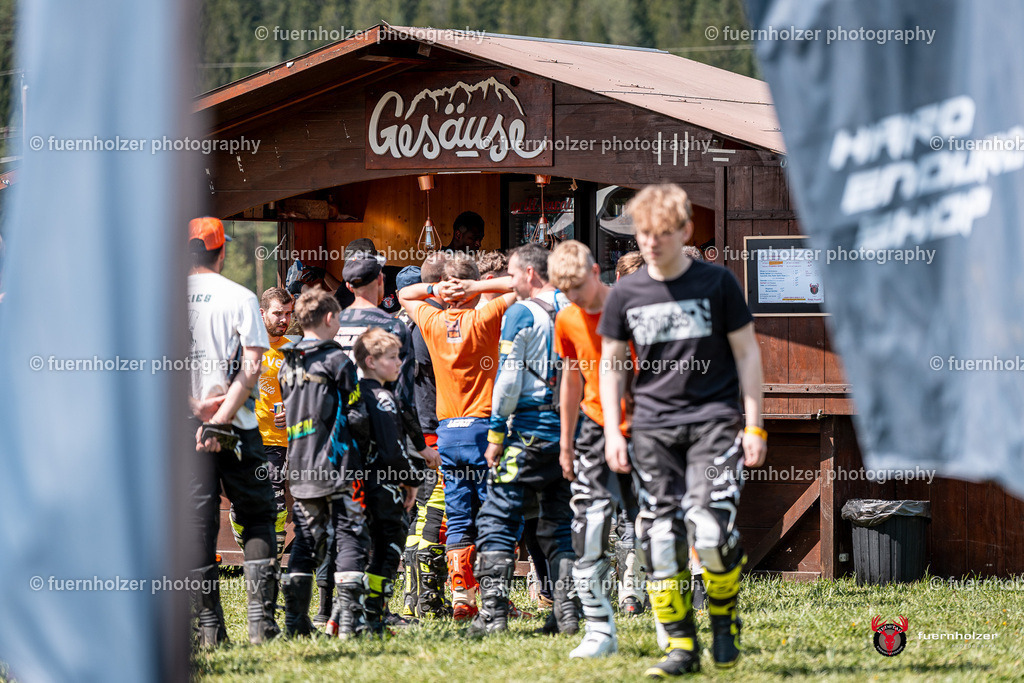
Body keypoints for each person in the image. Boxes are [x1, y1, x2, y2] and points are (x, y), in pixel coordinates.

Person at [598, 184, 767, 676]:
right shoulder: (625, 291)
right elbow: (610, 364)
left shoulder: (717, 282)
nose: (650, 242)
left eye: (662, 234)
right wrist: (614, 430)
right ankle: (680, 646)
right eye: (644, 233)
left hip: (713, 423)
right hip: (651, 429)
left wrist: (753, 426)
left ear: (685, 231)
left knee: (710, 530)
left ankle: (723, 619)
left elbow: (747, 353)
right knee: (658, 538)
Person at [398, 254, 516, 621]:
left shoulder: (432, 319)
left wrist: (436, 289)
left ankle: (463, 597)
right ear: (470, 288)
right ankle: (495, 598)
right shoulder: (484, 315)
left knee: (459, 515)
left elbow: (404, 294)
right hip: (484, 428)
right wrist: (478, 288)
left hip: (449, 432)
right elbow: (519, 284)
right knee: (494, 514)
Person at [470, 243, 578, 637]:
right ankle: (566, 616)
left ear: (530, 274)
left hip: (527, 430)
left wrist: (496, 433)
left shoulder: (520, 312)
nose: (510, 283)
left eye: (513, 275)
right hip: (569, 432)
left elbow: (509, 378)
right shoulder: (575, 307)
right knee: (559, 523)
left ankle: (493, 617)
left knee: (497, 518)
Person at [185, 216, 279, 646]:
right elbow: (253, 365)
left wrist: (196, 409)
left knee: (196, 525)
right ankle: (261, 625)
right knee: (258, 515)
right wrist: (222, 415)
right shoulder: (241, 296)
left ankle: (209, 630)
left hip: (185, 429)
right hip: (238, 425)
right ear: (222, 252)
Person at [548, 240, 641, 658]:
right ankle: (599, 630)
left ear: (596, 272)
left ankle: (668, 620)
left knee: (654, 529)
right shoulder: (566, 317)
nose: (575, 300)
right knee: (587, 528)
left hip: (643, 428)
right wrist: (565, 443)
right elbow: (569, 380)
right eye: (566, 293)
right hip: (593, 426)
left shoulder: (632, 308)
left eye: (578, 290)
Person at [276, 289, 366, 638]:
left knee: (305, 542)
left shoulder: (289, 360)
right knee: (349, 539)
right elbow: (356, 413)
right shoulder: (338, 361)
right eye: (339, 318)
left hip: (299, 466)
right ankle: (347, 624)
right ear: (329, 318)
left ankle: (295, 623)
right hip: (337, 464)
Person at [350, 326, 424, 632]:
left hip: (358, 484)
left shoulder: (354, 393)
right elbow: (392, 450)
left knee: (364, 549)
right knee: (389, 548)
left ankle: (359, 612)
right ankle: (374, 614)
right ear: (371, 361)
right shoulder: (383, 398)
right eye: (392, 358)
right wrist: (411, 480)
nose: (398, 363)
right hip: (383, 485)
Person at [395, 260, 452, 619]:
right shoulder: (425, 328)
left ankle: (415, 596)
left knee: (419, 514)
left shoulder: (404, 327)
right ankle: (426, 598)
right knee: (434, 511)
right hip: (430, 430)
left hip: (416, 429)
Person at [229, 287, 294, 563]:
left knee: (278, 507)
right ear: (262, 312)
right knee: (241, 507)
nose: (284, 319)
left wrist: (291, 411)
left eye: (289, 314)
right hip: (243, 436)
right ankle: (253, 558)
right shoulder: (243, 346)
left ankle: (271, 568)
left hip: (277, 440)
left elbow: (305, 395)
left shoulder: (293, 349)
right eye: (278, 313)